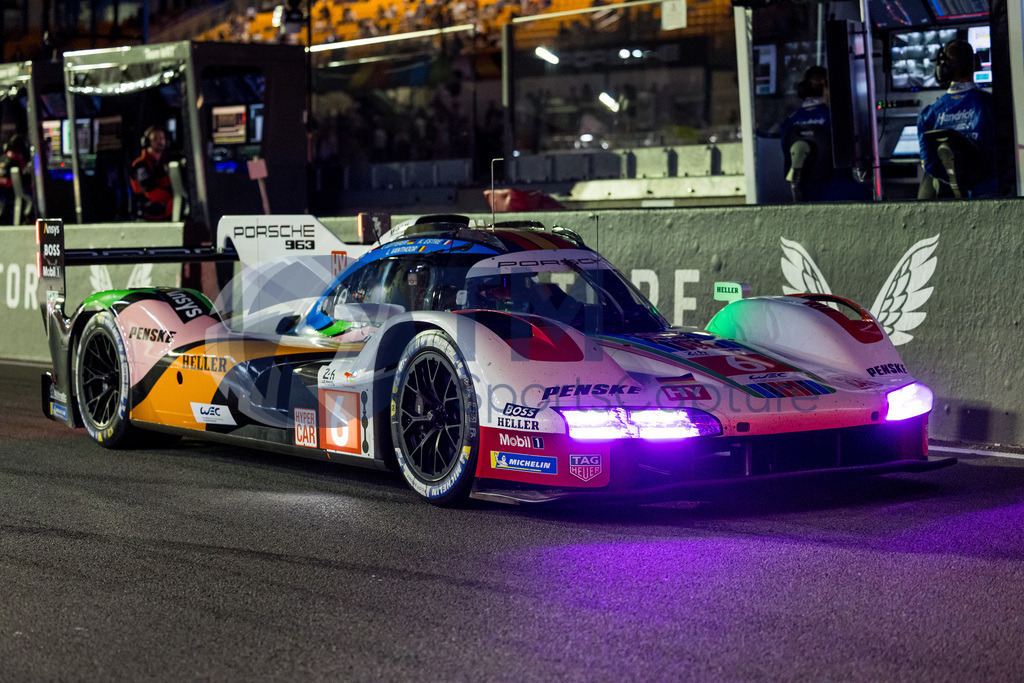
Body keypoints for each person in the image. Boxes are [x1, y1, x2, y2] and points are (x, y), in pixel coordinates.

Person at [917, 39, 997, 198]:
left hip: (949, 202)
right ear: (975, 65)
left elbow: (930, 165)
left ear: (943, 70)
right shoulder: (991, 106)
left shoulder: (928, 114)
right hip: (989, 197)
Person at [779, 66, 870, 202]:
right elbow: (850, 155)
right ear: (827, 87)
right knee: (870, 195)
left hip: (806, 193)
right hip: (837, 188)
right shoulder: (834, 118)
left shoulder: (790, 120)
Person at [130, 125, 173, 221]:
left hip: (167, 210)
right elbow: (149, 192)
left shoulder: (166, 162)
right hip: (148, 212)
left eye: (162, 138)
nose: (160, 141)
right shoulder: (140, 165)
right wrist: (171, 197)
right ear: (147, 141)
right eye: (155, 138)